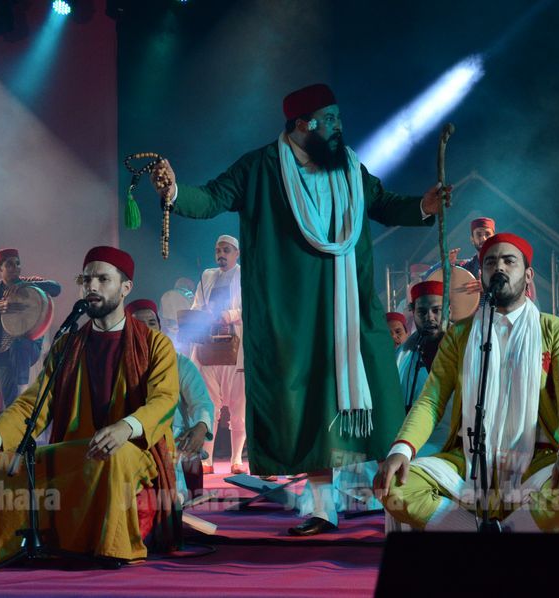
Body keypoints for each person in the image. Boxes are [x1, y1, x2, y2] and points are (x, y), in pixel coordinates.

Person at [149, 83, 448, 536]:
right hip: (293, 313)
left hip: (350, 307)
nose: (338, 128)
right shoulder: (261, 167)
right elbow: (211, 198)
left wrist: (423, 207)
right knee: (311, 411)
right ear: (303, 125)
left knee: (379, 399)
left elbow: (384, 203)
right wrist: (174, 192)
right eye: (330, 121)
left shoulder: (349, 167)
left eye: (338, 119)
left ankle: (397, 507)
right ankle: (324, 510)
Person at [0, 246, 181, 569]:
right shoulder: (68, 344)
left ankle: (111, 548)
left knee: (113, 457)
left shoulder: (154, 343)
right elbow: (34, 403)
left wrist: (126, 427)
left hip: (134, 450)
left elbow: (164, 399)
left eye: (103, 279)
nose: (91, 286)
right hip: (78, 449)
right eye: (86, 279)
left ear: (125, 287)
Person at [375, 233, 559, 534]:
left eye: (509, 261)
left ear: (528, 274)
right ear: (482, 275)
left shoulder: (554, 330)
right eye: (491, 262)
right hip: (468, 458)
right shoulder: (460, 334)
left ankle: (498, 530)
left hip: (536, 457)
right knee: (393, 486)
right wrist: (401, 451)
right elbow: (430, 401)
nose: (500, 268)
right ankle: (488, 530)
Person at [127, 298, 214, 503]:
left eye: (152, 323)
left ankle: (175, 498)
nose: (147, 329)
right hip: (132, 440)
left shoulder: (180, 363)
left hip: (173, 441)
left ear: (160, 327)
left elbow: (201, 402)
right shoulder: (120, 365)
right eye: (139, 324)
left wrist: (201, 426)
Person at [0, 248, 62, 409]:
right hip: (0, 353)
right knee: (10, 404)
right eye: (9, 264)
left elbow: (56, 288)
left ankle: (22, 392)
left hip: (28, 348)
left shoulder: (29, 283)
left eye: (18, 264)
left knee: (19, 344)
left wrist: (27, 284)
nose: (15, 268)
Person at [188, 235, 246, 475]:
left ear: (236, 253)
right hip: (209, 347)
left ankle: (237, 459)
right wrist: (197, 316)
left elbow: (251, 306)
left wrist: (229, 315)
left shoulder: (244, 275)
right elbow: (196, 305)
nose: (221, 254)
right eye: (218, 250)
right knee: (209, 405)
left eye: (226, 250)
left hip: (235, 348)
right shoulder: (207, 276)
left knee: (238, 406)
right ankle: (207, 460)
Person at [396, 281, 453, 457]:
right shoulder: (402, 356)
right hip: (412, 443)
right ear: (413, 313)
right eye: (422, 312)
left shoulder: (467, 348)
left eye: (436, 310)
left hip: (457, 443)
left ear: (449, 311)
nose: (430, 317)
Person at [423, 217, 496, 282]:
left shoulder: (502, 264)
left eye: (487, 234)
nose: (483, 238)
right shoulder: (467, 267)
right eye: (479, 234)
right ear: (472, 240)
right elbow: (426, 278)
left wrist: (487, 287)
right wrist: (445, 262)